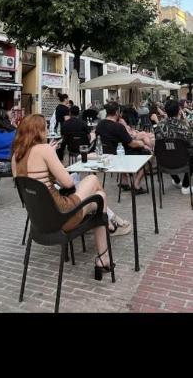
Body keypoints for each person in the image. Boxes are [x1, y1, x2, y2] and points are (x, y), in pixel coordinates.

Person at [11, 115, 130, 277]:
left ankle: (105, 245)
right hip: (61, 216)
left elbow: (35, 184)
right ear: (38, 131)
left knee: (99, 199)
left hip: (39, 220)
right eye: (45, 128)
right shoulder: (44, 149)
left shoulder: (15, 157)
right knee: (93, 180)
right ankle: (105, 248)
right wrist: (51, 155)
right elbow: (68, 183)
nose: (47, 132)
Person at [95, 102, 150, 193]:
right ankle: (136, 185)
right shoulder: (118, 126)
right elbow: (132, 144)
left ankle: (124, 182)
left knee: (120, 150)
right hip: (119, 156)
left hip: (106, 154)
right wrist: (142, 144)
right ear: (117, 112)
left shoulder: (100, 125)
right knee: (149, 156)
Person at [154, 100, 193, 194]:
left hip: (164, 162)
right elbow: (190, 143)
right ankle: (186, 186)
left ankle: (176, 180)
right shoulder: (184, 127)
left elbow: (158, 145)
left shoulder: (159, 126)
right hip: (182, 161)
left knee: (169, 151)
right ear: (179, 110)